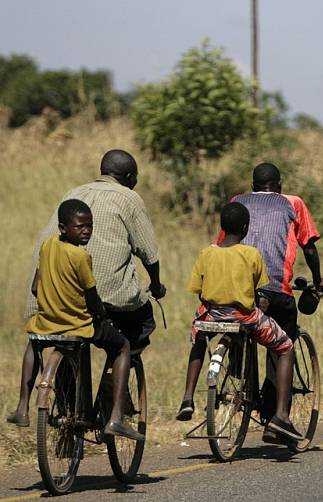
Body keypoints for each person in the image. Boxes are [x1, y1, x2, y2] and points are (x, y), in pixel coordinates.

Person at [7, 149, 166, 428]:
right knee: (138, 327)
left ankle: (66, 411)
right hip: (98, 298)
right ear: (130, 177)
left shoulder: (74, 193)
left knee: (54, 339)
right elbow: (149, 253)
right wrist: (155, 284)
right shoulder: (129, 198)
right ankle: (110, 390)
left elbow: (36, 282)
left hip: (49, 295)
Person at [8, 200, 143, 440]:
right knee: (122, 346)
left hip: (47, 323)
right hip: (78, 325)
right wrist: (103, 315)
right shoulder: (81, 256)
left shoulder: (47, 246)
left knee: (33, 343)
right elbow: (92, 299)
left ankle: (22, 406)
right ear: (62, 227)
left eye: (90, 226)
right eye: (80, 226)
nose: (87, 231)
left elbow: (34, 287)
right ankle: (116, 417)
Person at [177, 202, 301, 440]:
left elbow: (199, 291)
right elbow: (259, 291)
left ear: (222, 227)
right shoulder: (251, 254)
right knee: (285, 347)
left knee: (199, 340)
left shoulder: (206, 253)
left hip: (211, 316)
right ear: (245, 228)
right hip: (243, 316)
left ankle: (188, 397)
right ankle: (281, 416)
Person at [224, 162, 323, 433]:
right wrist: (317, 282)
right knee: (283, 344)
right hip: (275, 289)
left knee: (243, 324)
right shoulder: (293, 203)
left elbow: (224, 244)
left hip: (237, 288)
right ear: (279, 186)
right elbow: (309, 247)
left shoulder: (237, 202)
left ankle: (238, 368)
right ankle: (279, 416)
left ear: (252, 187)